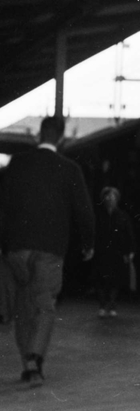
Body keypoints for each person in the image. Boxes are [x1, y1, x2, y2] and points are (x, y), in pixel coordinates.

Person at [0, 115, 94, 387]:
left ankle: (26, 361)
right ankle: (34, 360)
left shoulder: (17, 163)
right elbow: (84, 211)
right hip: (49, 250)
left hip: (17, 249)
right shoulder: (69, 168)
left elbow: (3, 207)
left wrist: (5, 245)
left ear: (38, 135)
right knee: (44, 306)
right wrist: (89, 243)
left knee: (22, 307)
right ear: (62, 137)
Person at [93, 185, 136, 316]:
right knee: (100, 279)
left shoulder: (123, 215)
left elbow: (129, 234)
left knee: (115, 280)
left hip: (117, 252)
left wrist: (131, 251)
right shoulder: (98, 215)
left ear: (117, 199)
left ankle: (112, 305)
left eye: (112, 196)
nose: (109, 198)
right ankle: (101, 305)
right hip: (101, 252)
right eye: (107, 196)